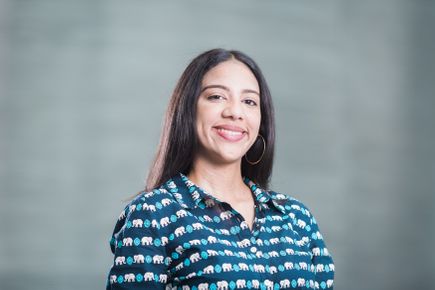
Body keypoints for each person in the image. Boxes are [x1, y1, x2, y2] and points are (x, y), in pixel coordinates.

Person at [106, 48, 335, 289]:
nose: (235, 112)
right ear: (188, 109)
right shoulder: (152, 215)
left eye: (249, 101)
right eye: (217, 96)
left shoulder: (297, 219)